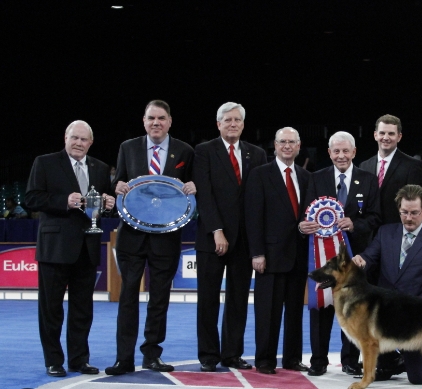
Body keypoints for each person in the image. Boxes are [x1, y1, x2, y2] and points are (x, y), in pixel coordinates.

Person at [105, 100, 196, 375]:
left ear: (170, 121)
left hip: (166, 238)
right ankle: (124, 358)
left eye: (161, 118)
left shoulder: (185, 151)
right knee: (128, 296)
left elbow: (191, 188)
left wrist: (195, 187)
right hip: (131, 237)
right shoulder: (127, 147)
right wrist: (117, 185)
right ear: (144, 121)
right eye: (151, 118)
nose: (156, 123)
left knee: (159, 299)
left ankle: (152, 355)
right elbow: (118, 182)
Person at [26, 120, 115, 377]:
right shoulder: (45, 162)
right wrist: (63, 201)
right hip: (55, 247)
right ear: (65, 138)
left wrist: (108, 203)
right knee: (51, 309)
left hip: (87, 248)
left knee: (82, 310)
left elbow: (99, 205)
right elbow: (32, 198)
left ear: (91, 143)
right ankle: (53, 360)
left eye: (83, 139)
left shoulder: (99, 167)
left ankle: (79, 359)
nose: (78, 143)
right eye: (74, 138)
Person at [299, 131, 381, 376]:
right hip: (323, 257)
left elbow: (376, 217)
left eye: (346, 151)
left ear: (354, 152)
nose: (341, 155)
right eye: (336, 151)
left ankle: (350, 360)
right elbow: (306, 215)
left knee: (354, 309)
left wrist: (355, 225)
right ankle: (318, 360)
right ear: (329, 153)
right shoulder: (315, 178)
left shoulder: (368, 179)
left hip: (356, 257)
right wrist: (304, 226)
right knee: (321, 306)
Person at [192, 102, 267, 372]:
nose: (233, 124)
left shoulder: (256, 154)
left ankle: (232, 353)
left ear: (243, 124)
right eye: (228, 120)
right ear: (218, 124)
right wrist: (217, 230)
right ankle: (209, 355)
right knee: (208, 299)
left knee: (238, 300)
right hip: (212, 239)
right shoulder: (204, 151)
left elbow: (258, 198)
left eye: (237, 120)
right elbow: (204, 195)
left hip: (244, 241)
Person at [352, 184, 422, 384]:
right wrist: (361, 260)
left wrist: (416, 310)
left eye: (414, 213)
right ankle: (392, 360)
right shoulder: (385, 232)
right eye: (404, 212)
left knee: (418, 377)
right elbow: (370, 256)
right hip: (385, 315)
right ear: (399, 210)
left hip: (414, 318)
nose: (409, 218)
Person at [244, 127, 310, 374]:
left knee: (294, 313)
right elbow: (253, 216)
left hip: (298, 256)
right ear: (275, 145)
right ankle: (265, 360)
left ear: (299, 146)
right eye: (283, 142)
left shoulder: (305, 177)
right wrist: (257, 253)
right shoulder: (260, 175)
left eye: (292, 142)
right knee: (267, 313)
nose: (287, 146)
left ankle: (293, 359)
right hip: (269, 257)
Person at [359, 114, 422, 225]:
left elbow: (418, 202)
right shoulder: (364, 166)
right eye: (382, 133)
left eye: (391, 134)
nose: (386, 137)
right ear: (375, 135)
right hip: (369, 233)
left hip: (398, 231)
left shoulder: (412, 165)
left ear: (399, 137)